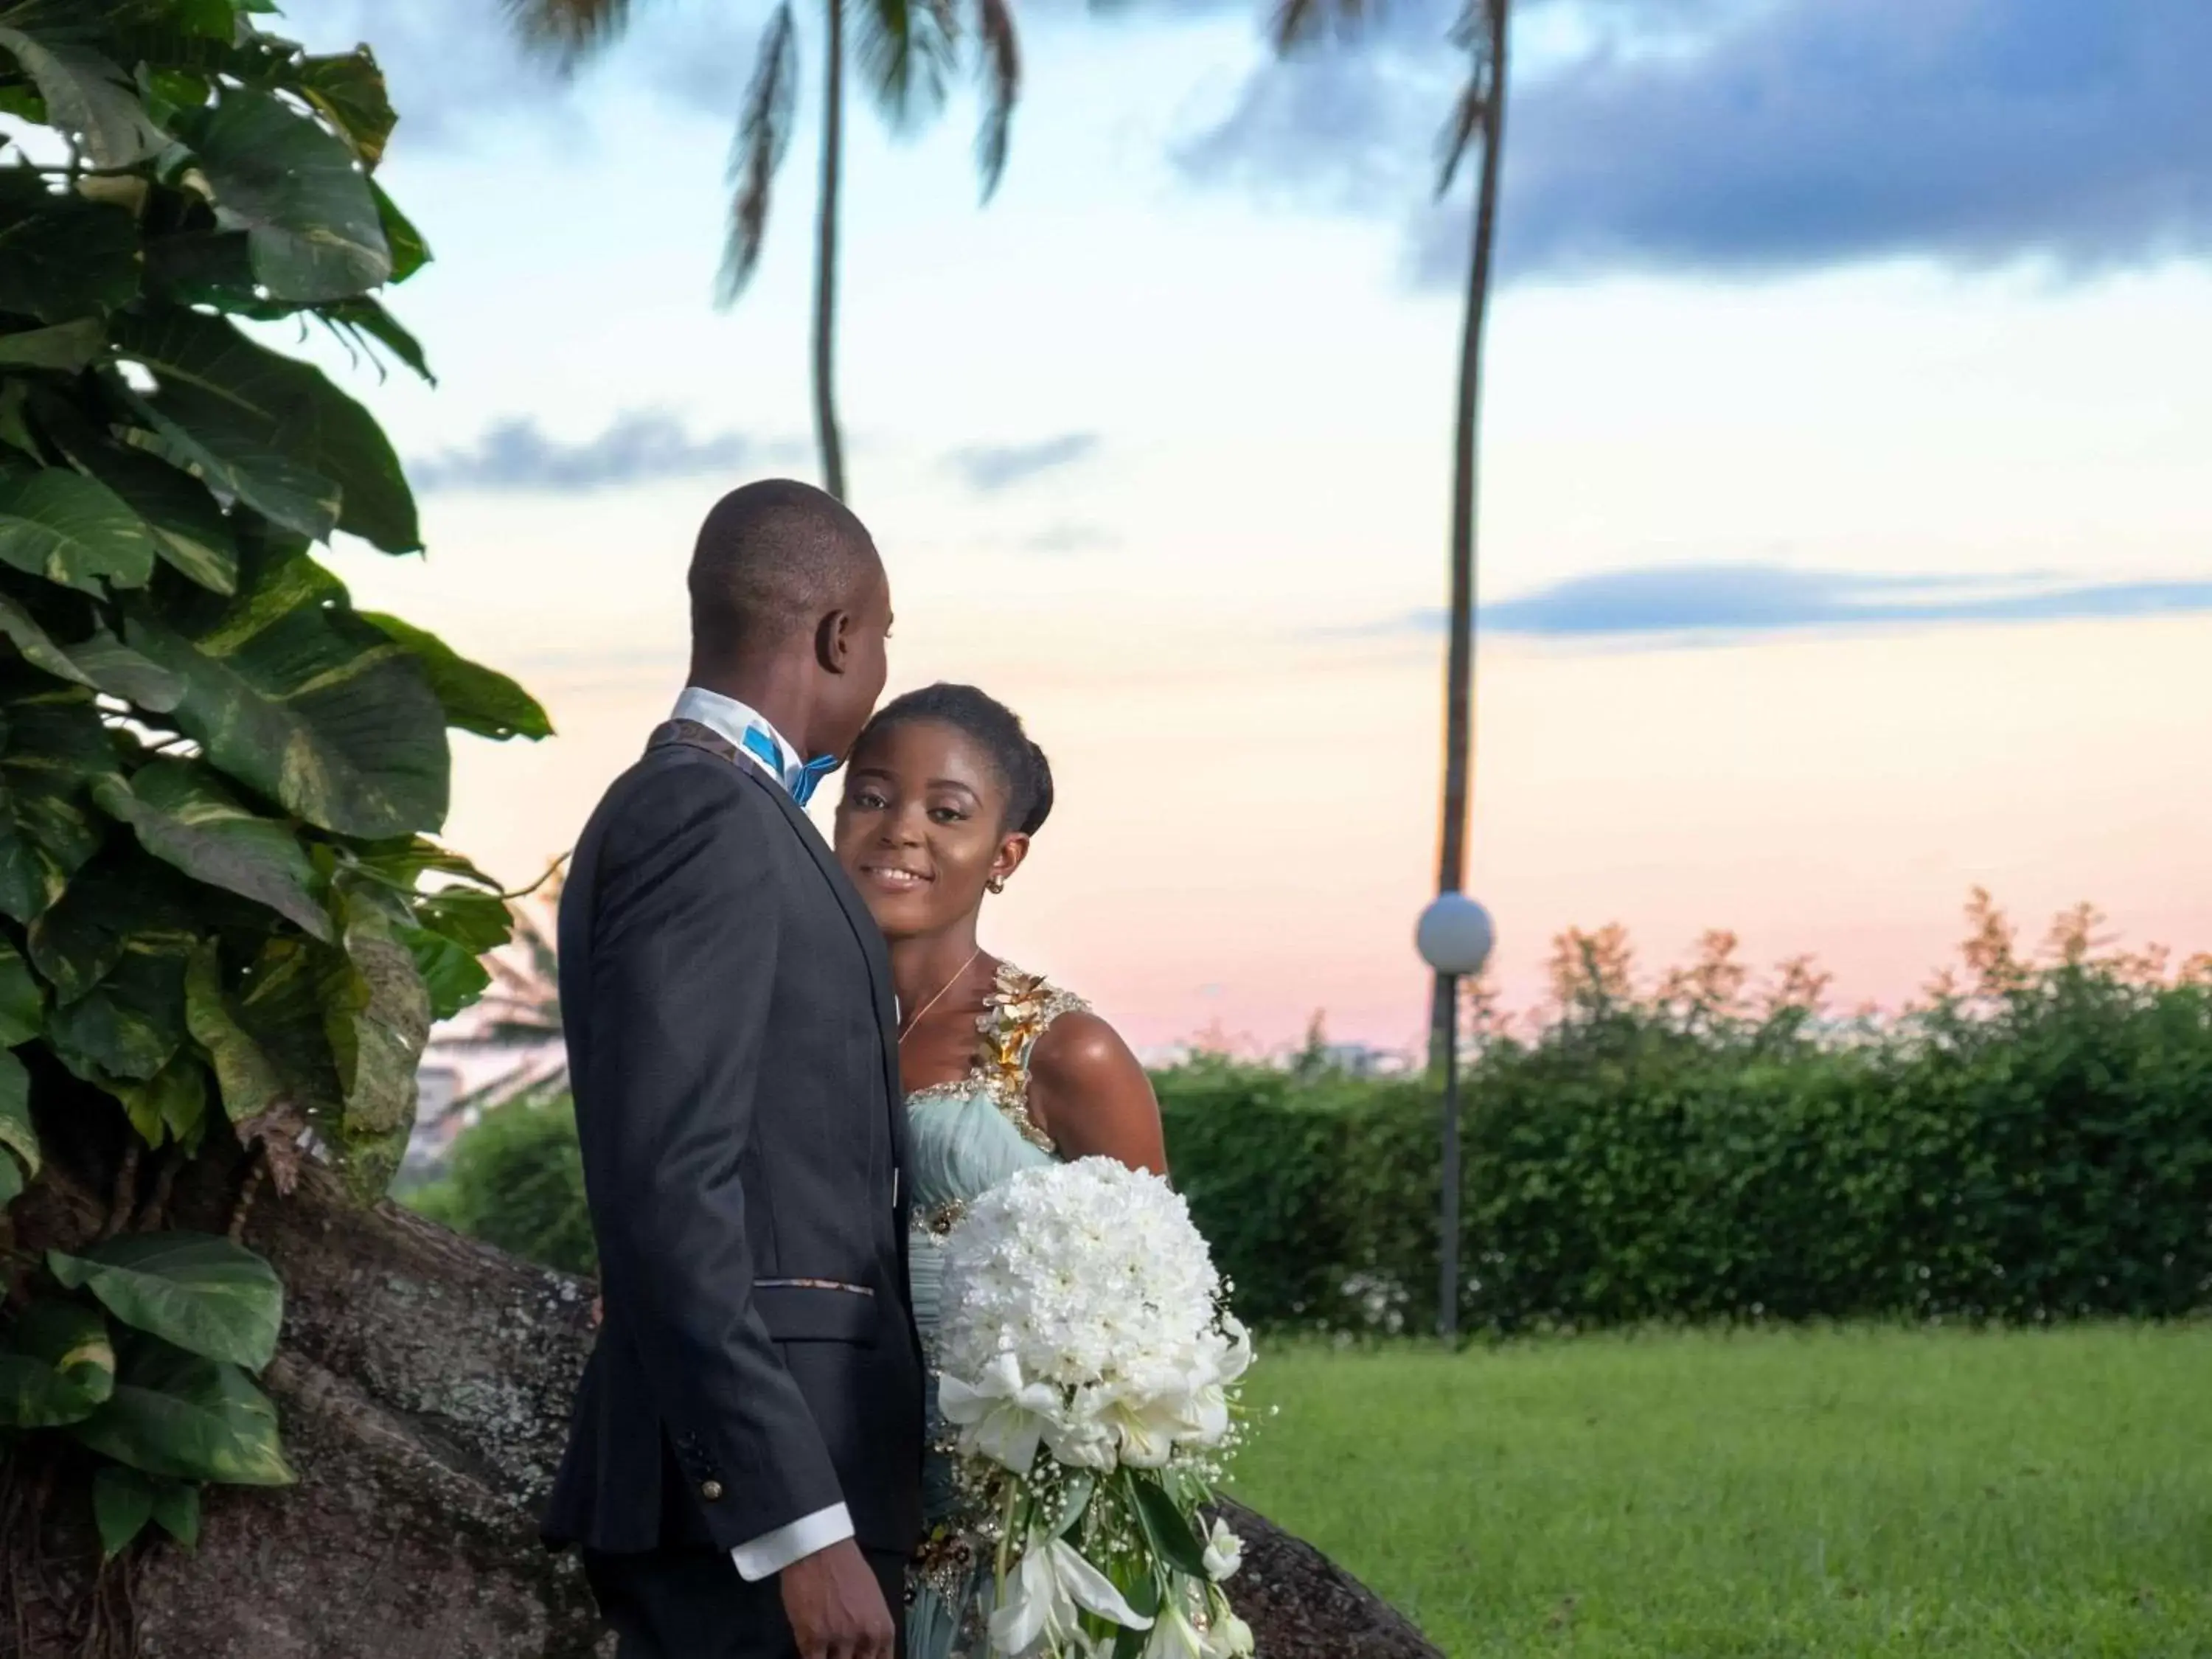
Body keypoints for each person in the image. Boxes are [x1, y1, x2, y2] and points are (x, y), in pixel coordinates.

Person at [544, 480, 925, 1659]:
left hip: (798, 1480)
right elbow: (670, 1184)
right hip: (748, 1519)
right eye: (886, 642)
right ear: (840, 637)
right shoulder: (701, 814)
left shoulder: (726, 808)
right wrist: (797, 1526)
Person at [830, 683, 1166, 1659]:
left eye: (947, 812)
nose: (899, 832)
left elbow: (1158, 1314)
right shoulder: (783, 1031)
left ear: (1006, 855)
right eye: (872, 797)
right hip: (823, 1507)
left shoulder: (1064, 1051)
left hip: (1005, 1536)